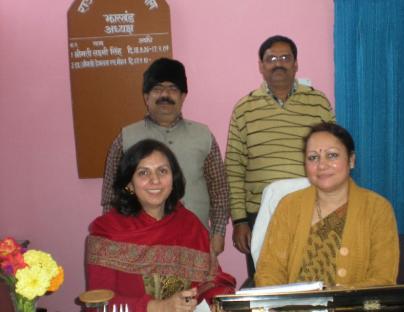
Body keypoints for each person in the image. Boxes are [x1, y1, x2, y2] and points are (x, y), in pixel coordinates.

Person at [225, 35, 334, 278]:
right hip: (261, 214)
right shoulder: (244, 108)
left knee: (314, 278)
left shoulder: (318, 102)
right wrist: (240, 221)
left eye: (285, 58)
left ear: (296, 64)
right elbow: (233, 167)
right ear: (261, 66)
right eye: (271, 58)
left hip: (312, 209)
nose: (278, 63)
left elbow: (334, 156)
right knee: (267, 282)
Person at [86, 139, 235, 312]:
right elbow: (97, 306)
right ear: (129, 185)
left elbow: (213, 282)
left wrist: (217, 301)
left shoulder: (190, 225)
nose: (155, 180)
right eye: (143, 173)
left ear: (173, 180)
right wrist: (158, 307)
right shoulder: (107, 231)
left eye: (162, 171)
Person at [101, 58, 229, 256]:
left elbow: (219, 192)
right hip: (141, 245)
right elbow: (111, 196)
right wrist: (113, 237)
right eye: (158, 89)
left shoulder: (203, 136)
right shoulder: (125, 138)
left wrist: (218, 233)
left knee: (198, 288)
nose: (165, 95)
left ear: (183, 96)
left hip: (195, 243)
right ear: (146, 96)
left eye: (172, 89)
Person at [255, 122, 399, 288]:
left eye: (332, 155)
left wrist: (335, 300)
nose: (322, 165)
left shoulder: (377, 209)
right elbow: (269, 271)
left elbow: (383, 279)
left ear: (351, 160)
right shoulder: (288, 206)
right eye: (313, 157)